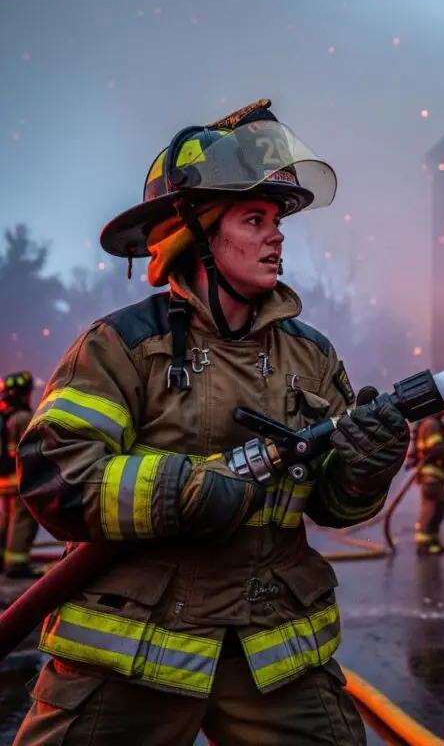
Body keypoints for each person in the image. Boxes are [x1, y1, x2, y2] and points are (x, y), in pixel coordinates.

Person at [12, 99, 410, 746]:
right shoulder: (120, 348)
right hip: (133, 653)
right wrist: (183, 490)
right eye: (254, 219)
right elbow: (57, 478)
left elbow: (335, 505)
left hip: (272, 653)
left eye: (278, 220)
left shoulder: (309, 354)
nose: (277, 235)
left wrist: (366, 468)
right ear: (192, 232)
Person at [405, 403, 444, 555]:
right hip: (431, 476)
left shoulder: (429, 423)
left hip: (433, 476)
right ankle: (424, 545)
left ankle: (433, 543)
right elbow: (437, 449)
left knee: (438, 510)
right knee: (432, 510)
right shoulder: (432, 425)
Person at [0, 370, 38, 579]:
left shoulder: (5, 416)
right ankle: (17, 564)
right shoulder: (23, 417)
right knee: (22, 520)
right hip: (19, 480)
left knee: (6, 520)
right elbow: (32, 449)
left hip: (3, 480)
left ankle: (3, 560)